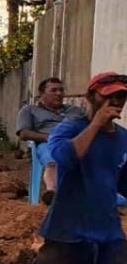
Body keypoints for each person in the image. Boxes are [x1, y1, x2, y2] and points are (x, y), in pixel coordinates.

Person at [11, 72, 127, 264]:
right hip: (67, 230)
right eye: (109, 96)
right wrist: (95, 125)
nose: (116, 102)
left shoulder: (123, 139)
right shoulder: (69, 129)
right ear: (92, 97)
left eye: (121, 97)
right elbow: (65, 158)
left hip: (108, 232)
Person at [16, 77, 86, 205]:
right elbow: (24, 134)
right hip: (48, 142)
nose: (59, 93)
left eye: (61, 90)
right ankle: (53, 193)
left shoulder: (75, 111)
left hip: (75, 143)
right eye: (53, 90)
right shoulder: (29, 110)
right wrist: (50, 138)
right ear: (42, 94)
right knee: (52, 160)